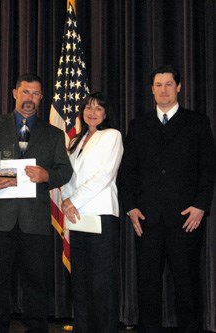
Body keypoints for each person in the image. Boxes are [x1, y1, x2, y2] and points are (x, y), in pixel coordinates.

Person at [0, 73, 73, 333]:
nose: (30, 99)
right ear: (15, 93)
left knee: (37, 285)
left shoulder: (54, 134)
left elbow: (65, 171)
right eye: (26, 92)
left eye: (36, 94)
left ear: (41, 98)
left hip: (35, 222)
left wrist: (48, 175)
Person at [119, 65, 216, 333]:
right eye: (158, 85)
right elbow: (127, 172)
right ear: (152, 90)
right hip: (147, 219)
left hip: (186, 219)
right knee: (148, 285)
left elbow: (208, 169)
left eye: (169, 84)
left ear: (179, 88)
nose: (164, 89)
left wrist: (200, 206)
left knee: (186, 284)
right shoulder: (138, 125)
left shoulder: (197, 122)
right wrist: (131, 208)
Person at [61, 92, 124, 333]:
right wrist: (66, 199)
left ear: (106, 113)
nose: (92, 112)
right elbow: (69, 176)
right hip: (77, 217)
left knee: (102, 282)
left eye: (98, 108)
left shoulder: (112, 136)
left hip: (101, 215)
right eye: (88, 107)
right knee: (81, 280)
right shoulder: (76, 140)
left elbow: (105, 176)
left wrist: (72, 200)